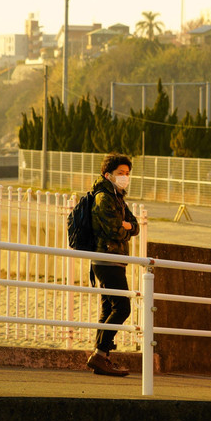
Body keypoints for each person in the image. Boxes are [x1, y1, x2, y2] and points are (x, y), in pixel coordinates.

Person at [85, 153, 140, 377]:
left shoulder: (118, 197)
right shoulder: (103, 197)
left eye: (127, 174)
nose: (124, 177)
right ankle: (100, 354)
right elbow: (113, 230)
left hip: (115, 259)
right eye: (120, 173)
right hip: (105, 258)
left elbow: (134, 226)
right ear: (108, 175)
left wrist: (126, 226)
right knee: (122, 307)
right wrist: (124, 227)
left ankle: (103, 358)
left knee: (109, 308)